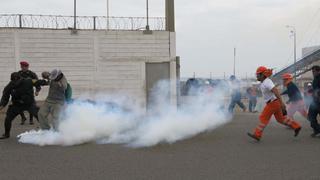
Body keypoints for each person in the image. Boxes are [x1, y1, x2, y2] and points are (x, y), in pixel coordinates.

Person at [247, 66, 301, 141]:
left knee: (263, 117)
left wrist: (282, 103)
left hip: (272, 103)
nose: (257, 76)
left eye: (258, 74)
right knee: (280, 119)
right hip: (274, 103)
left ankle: (257, 134)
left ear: (263, 75)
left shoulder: (267, 82)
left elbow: (275, 91)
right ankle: (296, 126)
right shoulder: (264, 82)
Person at [0, 72, 39, 139]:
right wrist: (2, 105)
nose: (16, 82)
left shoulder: (28, 81)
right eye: (14, 80)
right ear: (12, 80)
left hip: (29, 104)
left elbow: (38, 82)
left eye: (17, 80)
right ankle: (6, 134)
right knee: (8, 118)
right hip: (17, 105)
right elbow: (5, 96)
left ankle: (49, 131)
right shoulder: (10, 85)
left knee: (40, 116)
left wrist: (39, 89)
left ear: (20, 78)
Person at [18, 61, 40, 125]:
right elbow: (15, 82)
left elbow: (37, 83)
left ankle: (31, 119)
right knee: (18, 105)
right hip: (20, 93)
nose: (22, 68)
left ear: (27, 67)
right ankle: (23, 117)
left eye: (24, 67)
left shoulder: (32, 74)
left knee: (31, 106)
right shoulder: (19, 73)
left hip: (29, 93)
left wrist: (37, 90)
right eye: (21, 67)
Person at [307, 66, 320, 137]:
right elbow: (315, 88)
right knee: (310, 117)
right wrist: (311, 90)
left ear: (318, 71)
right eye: (312, 72)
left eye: (314, 71)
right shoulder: (315, 78)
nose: (313, 73)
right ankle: (317, 130)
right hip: (314, 102)